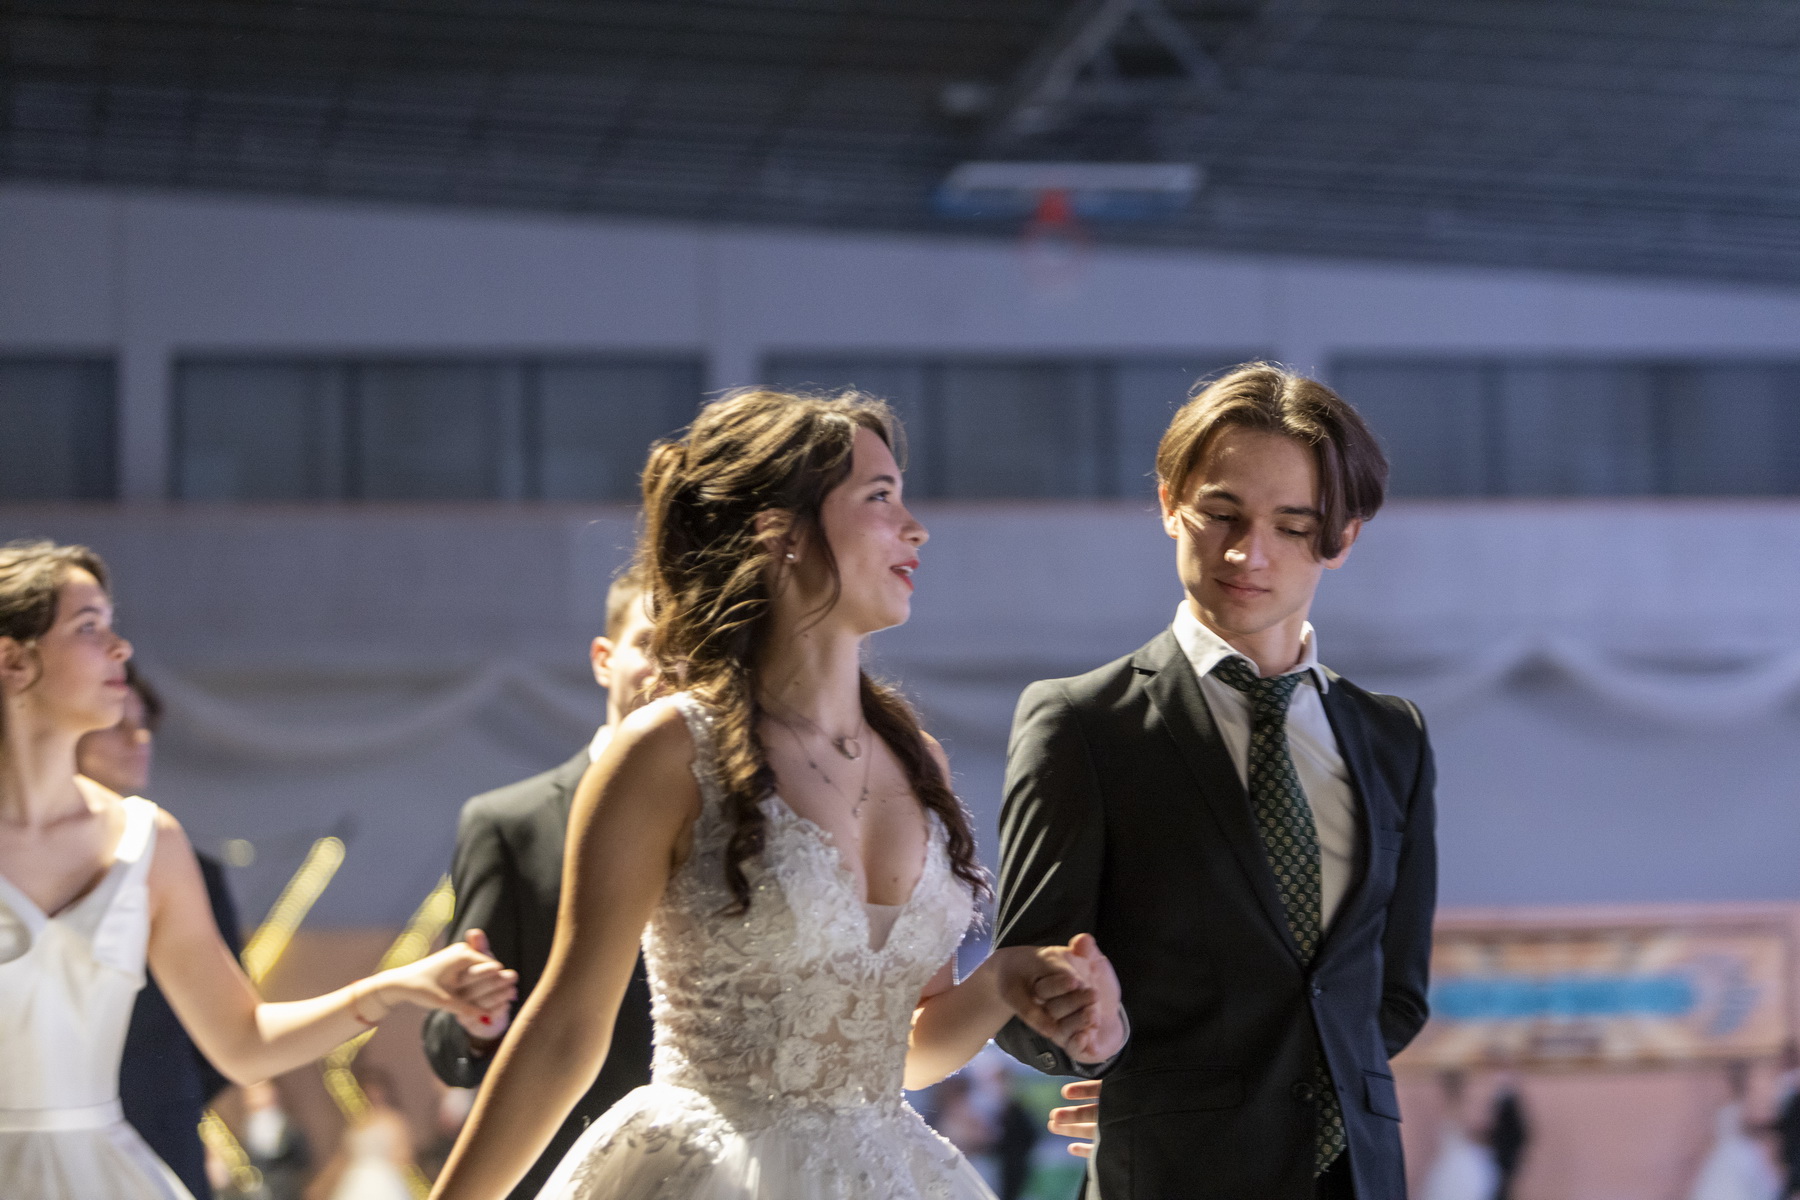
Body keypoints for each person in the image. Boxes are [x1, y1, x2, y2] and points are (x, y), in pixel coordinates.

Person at [428, 389, 1124, 1200]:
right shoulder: (668, 751)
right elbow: (564, 1032)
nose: (915, 528)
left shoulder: (919, 763)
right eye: (880, 497)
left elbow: (907, 1050)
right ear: (780, 533)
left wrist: (1002, 980)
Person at [1000, 363, 1437, 1199]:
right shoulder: (1084, 723)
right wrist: (1117, 1061)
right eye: (1222, 514)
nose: (1248, 553)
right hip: (1170, 1176)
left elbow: (1394, 995)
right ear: (1171, 503)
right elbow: (1025, 984)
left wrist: (1290, 1097)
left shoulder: (1393, 738)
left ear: (1342, 538)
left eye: (1293, 525)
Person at [0, 538, 517, 1200]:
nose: (120, 648)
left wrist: (394, 987)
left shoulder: (149, 842)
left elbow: (243, 1043)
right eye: (88, 626)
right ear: (14, 661)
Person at [421, 569, 657, 1200]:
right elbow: (448, 1040)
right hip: (568, 1169)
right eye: (651, 645)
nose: (673, 667)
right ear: (604, 659)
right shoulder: (511, 824)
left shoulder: (745, 820)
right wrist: (478, 1023)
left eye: (694, 649)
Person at [79, 661, 246, 1200]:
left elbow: (230, 1032)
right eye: (117, 726)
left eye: (145, 724)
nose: (139, 739)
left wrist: (165, 1091)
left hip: (156, 1129)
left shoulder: (182, 863)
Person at [314, 1067, 417, 1200]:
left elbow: (404, 1155)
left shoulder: (393, 1119)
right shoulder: (356, 1123)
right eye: (367, 1091)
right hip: (353, 1180)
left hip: (383, 1179)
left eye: (375, 1089)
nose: (372, 1094)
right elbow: (342, 1157)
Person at [241, 1080, 311, 1200]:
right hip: (270, 1188)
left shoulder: (284, 1122)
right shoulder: (250, 1127)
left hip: (291, 1182)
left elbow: (301, 1154)